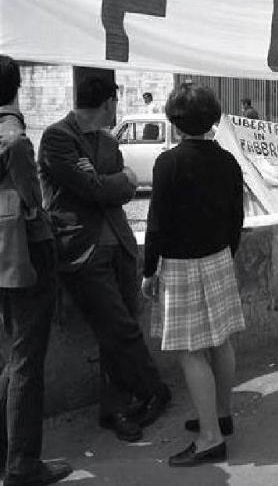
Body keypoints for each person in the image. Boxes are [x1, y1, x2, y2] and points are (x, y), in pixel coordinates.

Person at [37, 76, 171, 443]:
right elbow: (91, 188)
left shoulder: (108, 141)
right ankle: (154, 390)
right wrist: (116, 180)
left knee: (119, 329)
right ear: (108, 102)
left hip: (120, 246)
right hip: (83, 249)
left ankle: (115, 408)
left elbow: (119, 191)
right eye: (117, 100)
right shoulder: (57, 137)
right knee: (119, 328)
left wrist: (113, 181)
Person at [142, 83, 245, 467]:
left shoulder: (168, 163)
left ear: (175, 121)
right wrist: (225, 253)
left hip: (182, 264)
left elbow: (156, 224)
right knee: (221, 341)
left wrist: (148, 270)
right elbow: (237, 217)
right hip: (218, 258)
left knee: (190, 350)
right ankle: (221, 414)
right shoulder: (228, 162)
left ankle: (210, 438)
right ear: (211, 119)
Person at [0, 55, 73, 485]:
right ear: (16, 87)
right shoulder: (16, 140)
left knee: (12, 357)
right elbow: (32, 204)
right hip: (25, 255)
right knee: (27, 359)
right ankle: (23, 462)